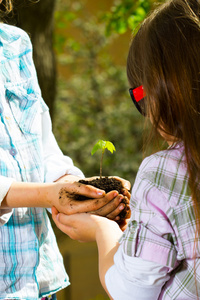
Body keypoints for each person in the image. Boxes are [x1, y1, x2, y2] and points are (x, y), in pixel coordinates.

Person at [52, 0, 200, 299]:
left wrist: (102, 231)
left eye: (140, 94)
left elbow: (132, 290)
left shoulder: (166, 171)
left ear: (165, 87)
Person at [0, 1, 131, 299]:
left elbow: (42, 148)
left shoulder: (14, 44)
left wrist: (79, 191)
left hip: (41, 282)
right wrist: (49, 195)